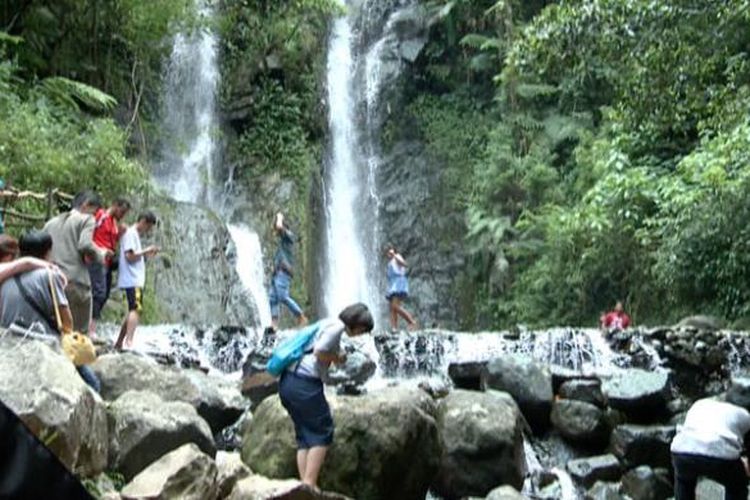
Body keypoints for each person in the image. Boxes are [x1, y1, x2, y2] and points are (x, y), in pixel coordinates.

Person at [278, 303, 374, 489]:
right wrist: (338, 358)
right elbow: (319, 352)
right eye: (363, 329)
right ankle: (310, 483)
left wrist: (337, 355)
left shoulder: (327, 324)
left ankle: (304, 486)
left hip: (288, 382)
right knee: (323, 431)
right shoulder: (336, 329)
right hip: (304, 384)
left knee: (305, 436)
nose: (362, 333)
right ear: (357, 323)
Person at [0, 231, 100, 392]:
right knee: (93, 384)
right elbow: (67, 322)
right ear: (48, 252)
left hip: (10, 344)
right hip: (43, 344)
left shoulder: (4, 280)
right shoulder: (49, 275)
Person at [671, 380, 750, 500]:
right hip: (719, 456)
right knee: (737, 485)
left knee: (684, 481)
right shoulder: (745, 415)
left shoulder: (701, 403)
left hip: (682, 451)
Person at [44, 190, 110, 333]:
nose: (94, 216)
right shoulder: (86, 220)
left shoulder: (50, 223)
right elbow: (85, 244)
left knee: (56, 330)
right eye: (94, 212)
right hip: (76, 283)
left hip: (52, 282)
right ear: (86, 205)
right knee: (78, 335)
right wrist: (101, 254)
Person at [114, 211, 159, 350]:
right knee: (136, 310)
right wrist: (146, 251)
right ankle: (129, 342)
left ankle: (119, 343)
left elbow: (134, 256)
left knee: (132, 310)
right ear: (143, 221)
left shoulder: (133, 235)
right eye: (149, 227)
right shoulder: (131, 234)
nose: (148, 231)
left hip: (133, 279)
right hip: (132, 280)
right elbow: (129, 256)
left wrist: (145, 254)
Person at [88, 198, 131, 335]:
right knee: (98, 293)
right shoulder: (101, 215)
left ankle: (90, 325)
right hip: (96, 259)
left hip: (107, 262)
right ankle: (90, 330)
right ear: (115, 205)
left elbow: (111, 240)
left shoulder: (113, 223)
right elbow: (90, 233)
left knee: (104, 294)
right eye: (122, 211)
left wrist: (120, 234)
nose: (122, 216)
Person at [267, 212, 307, 332]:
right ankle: (274, 324)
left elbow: (279, 227)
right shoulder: (282, 242)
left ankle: (300, 316)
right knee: (272, 298)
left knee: (282, 296)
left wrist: (279, 217)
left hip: (284, 273)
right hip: (277, 273)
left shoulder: (288, 238)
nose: (276, 232)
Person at [385, 245, 417, 331]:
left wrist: (395, 255)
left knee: (395, 306)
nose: (389, 253)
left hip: (398, 283)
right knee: (392, 308)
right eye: (387, 252)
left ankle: (411, 321)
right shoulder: (389, 263)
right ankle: (394, 327)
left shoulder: (397, 257)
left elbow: (404, 264)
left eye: (390, 251)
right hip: (393, 284)